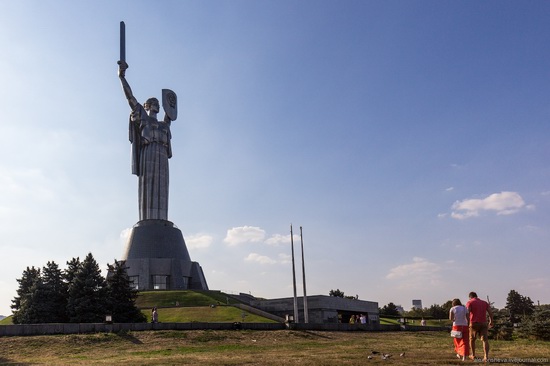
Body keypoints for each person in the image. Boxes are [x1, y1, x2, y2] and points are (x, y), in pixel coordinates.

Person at [118, 60, 174, 221]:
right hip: (148, 154)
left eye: (158, 102)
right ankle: (148, 219)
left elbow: (171, 114)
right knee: (149, 187)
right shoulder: (143, 118)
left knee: (162, 189)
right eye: (152, 102)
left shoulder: (164, 125)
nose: (156, 104)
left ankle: (162, 219)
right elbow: (130, 98)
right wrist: (122, 77)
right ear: (147, 106)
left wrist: (171, 105)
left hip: (162, 156)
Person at [466, 292, 493, 362]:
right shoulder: (484, 303)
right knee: (485, 340)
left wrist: (467, 323)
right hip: (483, 323)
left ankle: (473, 355)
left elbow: (468, 313)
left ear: (470, 297)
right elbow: (490, 312)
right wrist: (491, 321)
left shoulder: (470, 302)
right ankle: (486, 357)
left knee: (472, 339)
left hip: (474, 323)